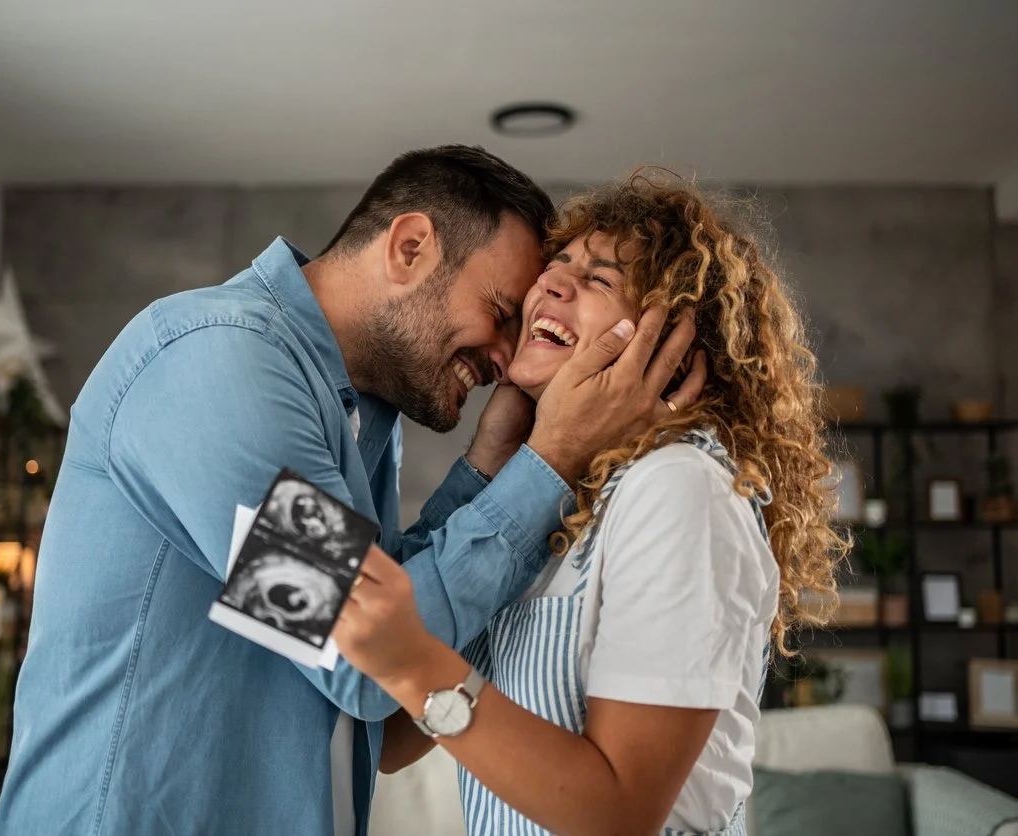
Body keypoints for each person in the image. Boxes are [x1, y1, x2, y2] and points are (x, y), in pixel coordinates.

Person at [0, 146, 706, 835]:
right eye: (499, 312)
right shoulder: (215, 366)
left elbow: (386, 682)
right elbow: (365, 665)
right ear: (410, 248)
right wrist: (549, 464)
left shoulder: (362, 419)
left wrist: (492, 464)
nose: (504, 357)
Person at [334, 172, 844, 836]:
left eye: (599, 279)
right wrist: (502, 463)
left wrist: (411, 664)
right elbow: (389, 734)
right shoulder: (558, 501)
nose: (547, 284)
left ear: (671, 343)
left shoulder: (680, 488)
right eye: (558, 265)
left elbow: (621, 813)